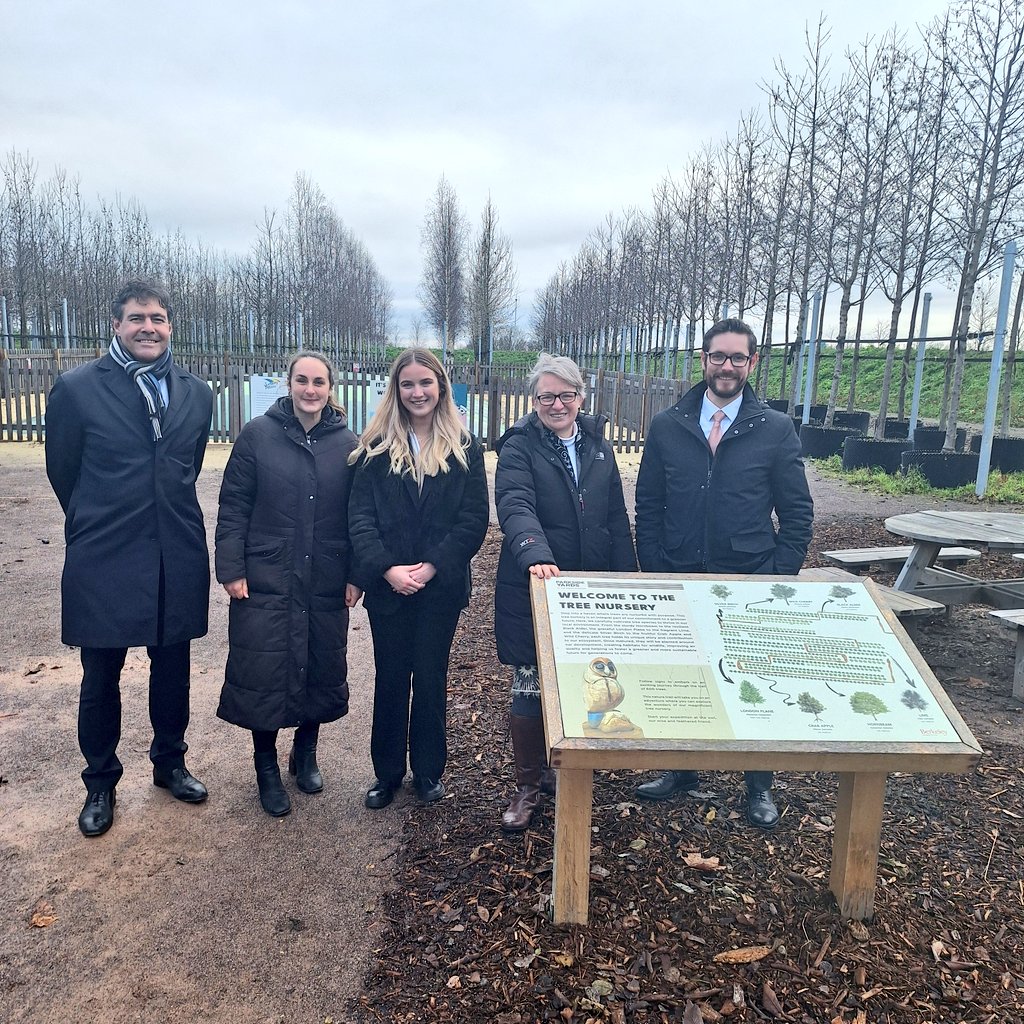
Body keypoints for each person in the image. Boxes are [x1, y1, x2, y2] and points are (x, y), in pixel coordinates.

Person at [45, 279, 213, 837]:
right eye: (137, 317)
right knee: (101, 677)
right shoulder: (76, 389)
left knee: (172, 670)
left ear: (170, 326)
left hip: (176, 552)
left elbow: (182, 464)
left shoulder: (195, 392)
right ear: (116, 325)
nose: (149, 327)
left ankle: (170, 763)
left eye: (159, 318)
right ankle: (100, 782)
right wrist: (97, 519)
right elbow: (63, 471)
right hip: (106, 554)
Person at [633, 317, 814, 828]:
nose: (727, 366)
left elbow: (797, 512)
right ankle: (682, 769)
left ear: (752, 363)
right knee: (685, 676)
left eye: (738, 357)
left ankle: (758, 782)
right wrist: (655, 564)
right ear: (704, 359)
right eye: (718, 356)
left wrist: (779, 575)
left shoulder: (774, 429)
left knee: (754, 680)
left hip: (749, 579)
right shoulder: (669, 425)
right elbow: (649, 502)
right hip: (679, 574)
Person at [494, 353, 637, 831]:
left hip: (590, 586)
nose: (557, 404)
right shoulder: (519, 445)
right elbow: (514, 502)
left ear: (581, 396)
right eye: (546, 396)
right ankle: (528, 786)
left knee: (583, 681)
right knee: (531, 685)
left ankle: (564, 772)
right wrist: (534, 551)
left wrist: (628, 577)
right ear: (533, 400)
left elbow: (616, 515)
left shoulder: (598, 444)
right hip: (537, 583)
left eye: (566, 394)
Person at [215, 352, 360, 817]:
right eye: (302, 380)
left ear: (330, 386)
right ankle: (266, 769)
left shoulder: (348, 443)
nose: (310, 389)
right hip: (267, 577)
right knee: (266, 671)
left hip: (325, 574)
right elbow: (234, 505)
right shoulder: (258, 435)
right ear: (289, 383)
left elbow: (359, 517)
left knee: (318, 662)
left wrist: (357, 574)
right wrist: (232, 568)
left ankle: (306, 752)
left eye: (319, 381)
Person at [348, 349, 488, 809]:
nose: (417, 392)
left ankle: (428, 771)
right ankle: (386, 774)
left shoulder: (465, 447)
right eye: (408, 384)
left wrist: (431, 567)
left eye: (425, 383)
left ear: (441, 386)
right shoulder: (374, 448)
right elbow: (360, 518)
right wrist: (386, 569)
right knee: (391, 678)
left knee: (430, 678)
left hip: (439, 588)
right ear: (396, 390)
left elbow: (472, 520)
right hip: (389, 588)